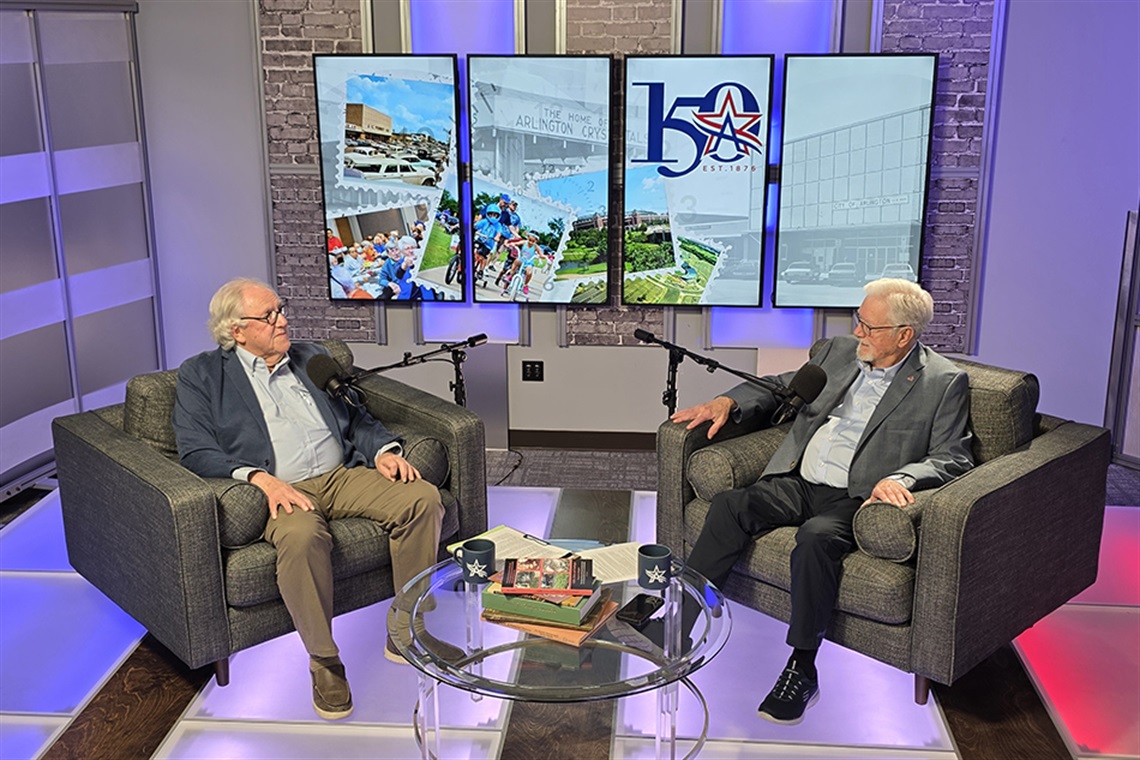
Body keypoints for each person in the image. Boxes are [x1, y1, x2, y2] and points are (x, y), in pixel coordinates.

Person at [671, 278, 974, 725]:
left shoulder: (942, 382)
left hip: (855, 498)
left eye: (869, 327)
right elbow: (781, 386)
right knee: (732, 505)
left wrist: (904, 477)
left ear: (904, 334)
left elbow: (954, 455)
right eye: (858, 321)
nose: (858, 333)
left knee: (814, 540)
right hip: (799, 480)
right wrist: (726, 402)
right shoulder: (835, 352)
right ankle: (680, 621)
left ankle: (802, 666)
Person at [172, 278, 446, 721]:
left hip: (341, 475)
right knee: (300, 538)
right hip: (283, 490)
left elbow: (358, 416)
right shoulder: (201, 375)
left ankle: (405, 630)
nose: (284, 320)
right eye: (271, 315)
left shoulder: (310, 357)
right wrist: (260, 478)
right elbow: (195, 450)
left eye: (282, 309)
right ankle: (324, 662)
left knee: (422, 498)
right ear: (237, 330)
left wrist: (383, 451)